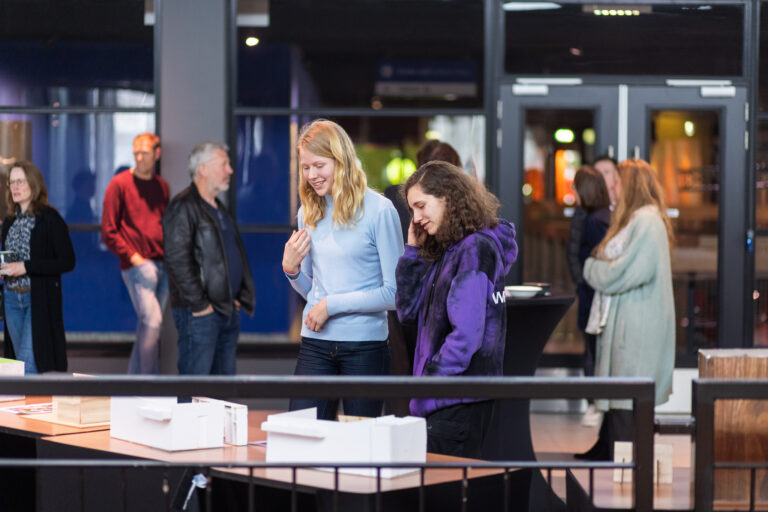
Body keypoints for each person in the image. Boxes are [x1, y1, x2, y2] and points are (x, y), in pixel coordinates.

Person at [282, 119, 403, 420]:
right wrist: (291, 270)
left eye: (319, 165)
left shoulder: (380, 210)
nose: (311, 175)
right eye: (306, 167)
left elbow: (395, 293)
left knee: (360, 451)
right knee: (301, 436)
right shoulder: (307, 212)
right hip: (315, 343)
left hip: (365, 348)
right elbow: (313, 291)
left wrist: (331, 306)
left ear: (341, 160)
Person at [395, 161, 517, 458]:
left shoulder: (473, 250)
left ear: (447, 196)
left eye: (421, 206)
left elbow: (466, 337)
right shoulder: (452, 249)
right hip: (448, 399)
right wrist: (412, 252)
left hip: (454, 401)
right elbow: (408, 313)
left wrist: (429, 386)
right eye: (412, 210)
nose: (416, 218)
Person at [579, 158, 675, 460]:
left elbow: (624, 273)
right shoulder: (638, 220)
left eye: (618, 181)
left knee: (627, 423)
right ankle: (621, 491)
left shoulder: (647, 222)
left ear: (631, 186)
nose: (612, 186)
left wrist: (592, 268)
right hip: (631, 332)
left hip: (636, 336)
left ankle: (626, 498)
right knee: (622, 420)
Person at [383, 139, 463, 415]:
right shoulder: (403, 204)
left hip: (410, 305)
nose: (417, 218)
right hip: (416, 306)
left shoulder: (471, 247)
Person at [163, 141, 255, 375]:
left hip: (225, 310)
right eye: (224, 164)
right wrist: (200, 305)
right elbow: (176, 259)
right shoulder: (183, 206)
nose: (230, 170)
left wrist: (235, 298)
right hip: (200, 315)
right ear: (202, 169)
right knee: (196, 390)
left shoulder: (218, 207)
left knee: (222, 394)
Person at [101, 133, 170, 374]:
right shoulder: (119, 184)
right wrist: (134, 258)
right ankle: (151, 389)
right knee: (152, 323)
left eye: (145, 153)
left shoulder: (161, 186)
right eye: (136, 153)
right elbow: (109, 231)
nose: (140, 158)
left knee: (146, 329)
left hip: (162, 265)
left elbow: (163, 225)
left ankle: (131, 388)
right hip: (138, 267)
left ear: (157, 154)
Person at [1, 161, 75, 374]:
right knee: (18, 365)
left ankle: (31, 407)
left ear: (33, 185)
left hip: (38, 298)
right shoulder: (9, 221)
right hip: (11, 299)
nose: (14, 187)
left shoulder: (50, 219)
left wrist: (26, 266)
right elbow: (11, 261)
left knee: (29, 364)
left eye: (20, 182)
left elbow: (67, 261)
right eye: (11, 182)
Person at [571, 166, 611, 427]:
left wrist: (583, 281)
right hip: (591, 294)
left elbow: (597, 262)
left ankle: (597, 406)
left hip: (595, 296)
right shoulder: (598, 216)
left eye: (575, 187)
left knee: (594, 353)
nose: (573, 192)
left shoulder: (595, 221)